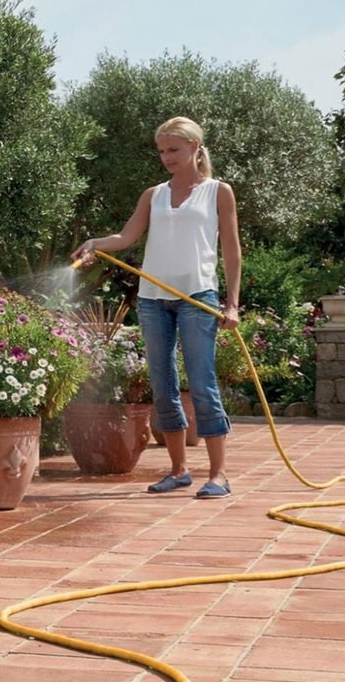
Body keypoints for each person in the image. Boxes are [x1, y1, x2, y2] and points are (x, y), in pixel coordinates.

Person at [73, 115, 242, 498]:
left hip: (197, 297)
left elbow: (232, 252)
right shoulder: (154, 194)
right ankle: (179, 470)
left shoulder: (218, 192)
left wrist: (232, 304)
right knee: (163, 387)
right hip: (152, 299)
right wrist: (95, 243)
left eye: (173, 149)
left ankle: (219, 475)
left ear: (195, 147)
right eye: (162, 151)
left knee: (202, 384)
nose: (166, 157)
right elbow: (126, 237)